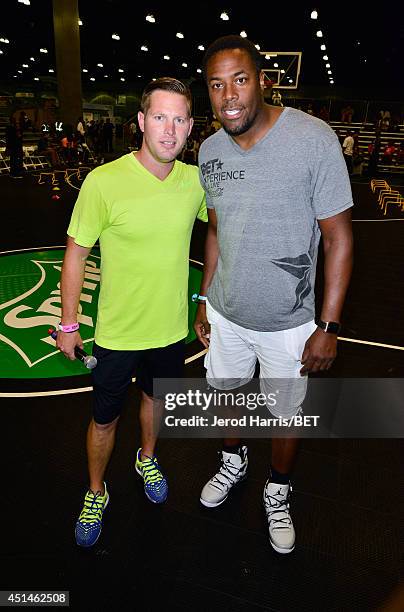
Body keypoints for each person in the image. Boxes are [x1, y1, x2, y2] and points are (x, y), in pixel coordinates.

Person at [194, 35, 353, 554]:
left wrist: (327, 327)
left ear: (264, 80)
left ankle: (278, 489)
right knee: (227, 398)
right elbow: (215, 230)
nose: (229, 95)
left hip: (290, 322)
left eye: (240, 80)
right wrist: (204, 298)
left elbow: (339, 237)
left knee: (285, 414)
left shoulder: (313, 138)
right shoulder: (210, 150)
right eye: (217, 85)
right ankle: (233, 461)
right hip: (226, 313)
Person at [57, 77, 207, 547]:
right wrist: (68, 323)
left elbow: (227, 227)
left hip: (169, 332)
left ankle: (147, 457)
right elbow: (76, 253)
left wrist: (206, 301)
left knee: (155, 401)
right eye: (160, 117)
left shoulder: (195, 182)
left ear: (189, 127)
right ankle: (96, 491)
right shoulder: (104, 182)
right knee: (104, 418)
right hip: (118, 335)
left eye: (179, 119)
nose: (170, 129)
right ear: (141, 122)